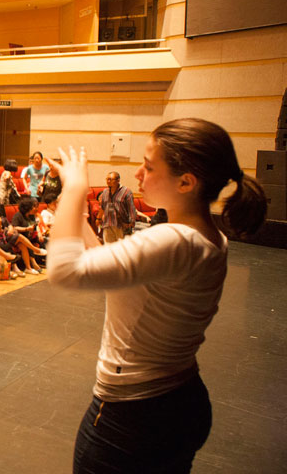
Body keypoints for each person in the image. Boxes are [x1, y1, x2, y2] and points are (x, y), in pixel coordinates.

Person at [48, 119, 267, 472]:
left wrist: (75, 187)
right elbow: (110, 269)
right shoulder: (205, 237)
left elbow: (64, 271)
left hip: (134, 417)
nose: (137, 173)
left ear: (186, 182)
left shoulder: (173, 241)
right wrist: (76, 209)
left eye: (149, 167)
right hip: (180, 399)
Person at [98, 171, 138, 242]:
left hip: (121, 225)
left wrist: (132, 222)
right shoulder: (105, 192)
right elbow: (103, 207)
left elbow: (131, 208)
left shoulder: (126, 191)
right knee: (109, 248)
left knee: (123, 248)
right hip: (108, 223)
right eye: (107, 179)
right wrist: (99, 218)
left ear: (118, 180)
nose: (108, 181)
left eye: (110, 179)